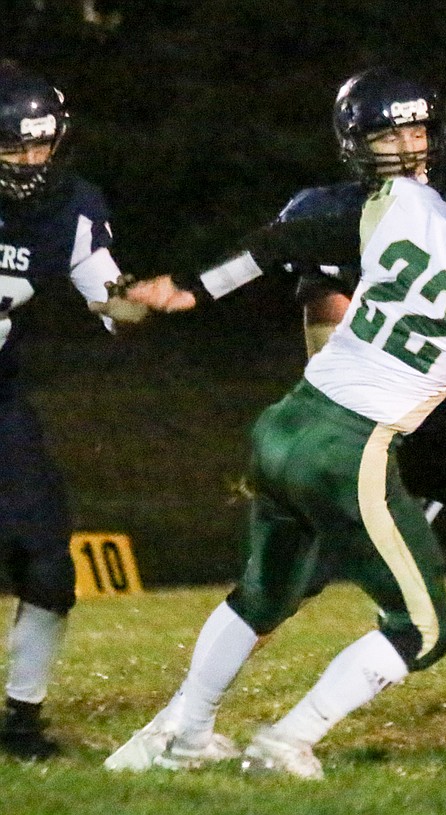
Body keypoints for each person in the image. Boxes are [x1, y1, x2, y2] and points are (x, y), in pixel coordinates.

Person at [105, 124, 446, 778]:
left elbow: (297, 241)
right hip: (354, 448)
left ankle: (185, 733)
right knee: (425, 628)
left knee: (261, 594)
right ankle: (287, 738)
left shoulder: (404, 206)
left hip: (287, 424)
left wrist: (191, 287)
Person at [0, 60, 145, 759]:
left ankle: (22, 724)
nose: (30, 163)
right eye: (13, 147)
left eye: (41, 145)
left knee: (51, 567)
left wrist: (148, 301)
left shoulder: (71, 205)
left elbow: (108, 299)